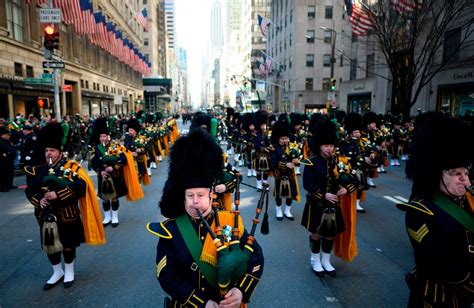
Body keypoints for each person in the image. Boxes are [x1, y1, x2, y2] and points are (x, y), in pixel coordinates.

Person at [147, 129, 264, 307]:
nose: (195, 202)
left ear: (211, 195)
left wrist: (241, 291)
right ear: (182, 197)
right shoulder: (171, 230)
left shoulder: (229, 221)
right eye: (190, 196)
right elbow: (166, 276)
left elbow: (256, 257)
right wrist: (201, 303)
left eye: (200, 195)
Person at [397, 113, 473, 307]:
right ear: (434, 173)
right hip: (435, 296)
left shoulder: (466, 199)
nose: (465, 180)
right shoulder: (419, 210)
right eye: (456, 174)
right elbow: (442, 263)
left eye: (466, 172)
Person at [24, 122, 105, 290]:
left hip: (67, 213)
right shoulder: (37, 170)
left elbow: (81, 188)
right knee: (50, 246)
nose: (48, 154)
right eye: (46, 151)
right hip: (45, 215)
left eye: (52, 151)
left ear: (60, 151)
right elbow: (30, 190)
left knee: (68, 244)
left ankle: (69, 271)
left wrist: (58, 195)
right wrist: (39, 200)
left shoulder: (71, 167)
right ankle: (57, 272)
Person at [302, 118, 356, 277]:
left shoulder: (340, 161)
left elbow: (353, 179)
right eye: (326, 145)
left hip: (333, 204)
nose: (329, 149)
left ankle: (326, 260)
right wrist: (323, 194)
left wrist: (346, 189)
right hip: (317, 203)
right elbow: (308, 184)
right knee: (317, 233)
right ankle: (314, 259)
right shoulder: (311, 162)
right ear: (319, 145)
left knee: (331, 233)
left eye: (331, 145)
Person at [90, 117, 144, 227]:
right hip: (103, 176)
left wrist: (113, 168)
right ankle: (107, 217)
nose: (102, 138)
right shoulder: (96, 149)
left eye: (104, 136)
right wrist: (100, 171)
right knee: (104, 198)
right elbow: (93, 163)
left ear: (108, 137)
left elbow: (123, 159)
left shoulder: (116, 146)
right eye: (101, 136)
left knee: (114, 197)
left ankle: (114, 216)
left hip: (114, 175)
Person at [270, 117, 301, 220]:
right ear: (278, 138)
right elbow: (273, 162)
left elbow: (297, 158)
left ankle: (287, 210)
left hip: (290, 174)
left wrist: (297, 161)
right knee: (279, 193)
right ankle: (278, 210)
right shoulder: (274, 148)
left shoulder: (292, 147)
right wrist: (285, 164)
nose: (285, 140)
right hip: (279, 174)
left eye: (286, 138)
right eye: (282, 138)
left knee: (290, 193)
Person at [0, 126, 16, 192]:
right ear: (2, 135)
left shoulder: (8, 141)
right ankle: (3, 187)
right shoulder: (1, 141)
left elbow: (11, 148)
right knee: (3, 174)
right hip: (2, 160)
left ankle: (9, 185)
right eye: (7, 135)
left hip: (9, 160)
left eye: (9, 135)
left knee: (10, 173)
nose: (8, 136)